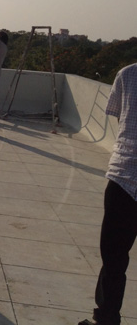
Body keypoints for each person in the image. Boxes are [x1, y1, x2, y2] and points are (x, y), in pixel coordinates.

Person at [78, 63, 137, 325]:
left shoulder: (128, 74)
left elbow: (117, 117)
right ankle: (106, 317)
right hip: (124, 177)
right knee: (112, 256)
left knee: (114, 257)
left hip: (124, 173)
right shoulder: (127, 74)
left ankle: (106, 317)